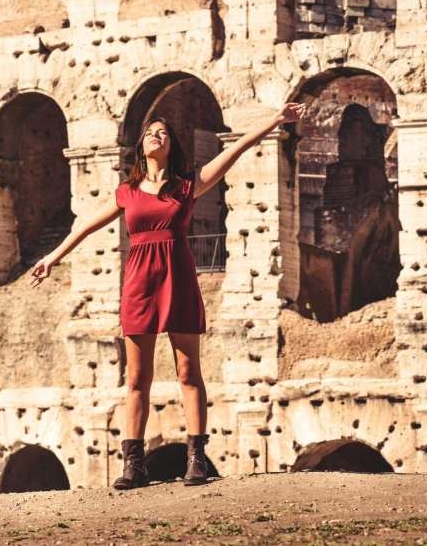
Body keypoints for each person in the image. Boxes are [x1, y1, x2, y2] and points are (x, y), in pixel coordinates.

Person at [30, 101, 305, 489]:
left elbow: (236, 148)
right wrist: (52, 257)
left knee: (189, 371)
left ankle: (197, 459)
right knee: (137, 378)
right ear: (142, 146)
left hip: (178, 278)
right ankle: (134, 466)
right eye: (150, 133)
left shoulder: (187, 186)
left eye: (163, 133)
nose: (156, 136)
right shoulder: (126, 192)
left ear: (170, 146)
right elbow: (86, 225)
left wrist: (275, 121)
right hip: (139, 283)